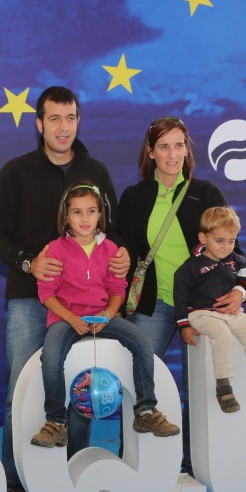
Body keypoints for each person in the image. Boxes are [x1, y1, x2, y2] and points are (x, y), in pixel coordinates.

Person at [0, 86, 129, 492]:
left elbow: (113, 230)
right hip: (31, 302)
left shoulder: (96, 171)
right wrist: (28, 263)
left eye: (70, 118)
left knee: (82, 388)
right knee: (20, 392)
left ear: (78, 121)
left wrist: (122, 253)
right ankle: (12, 486)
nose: (63, 127)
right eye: (54, 119)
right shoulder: (16, 172)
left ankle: (73, 477)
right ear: (39, 124)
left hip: (86, 306)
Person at [116, 116, 245, 473]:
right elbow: (123, 250)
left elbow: (235, 249)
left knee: (200, 387)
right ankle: (131, 464)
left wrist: (239, 290)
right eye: (164, 146)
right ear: (150, 152)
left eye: (179, 145)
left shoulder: (207, 193)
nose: (172, 154)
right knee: (137, 384)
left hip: (201, 306)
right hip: (154, 303)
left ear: (187, 149)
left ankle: (192, 463)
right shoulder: (134, 197)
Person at [30, 182, 179, 448]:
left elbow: (118, 290)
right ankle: (56, 423)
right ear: (66, 216)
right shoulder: (54, 249)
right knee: (50, 355)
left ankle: (145, 411)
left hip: (103, 317)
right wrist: (72, 319)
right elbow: (46, 294)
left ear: (100, 214)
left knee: (143, 341)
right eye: (77, 212)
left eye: (91, 211)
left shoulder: (111, 249)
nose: (85, 218)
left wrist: (107, 315)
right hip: (66, 319)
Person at [173, 206, 246, 412]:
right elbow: (179, 297)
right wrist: (184, 325)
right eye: (219, 241)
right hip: (200, 313)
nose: (226, 247)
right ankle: (223, 386)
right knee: (222, 334)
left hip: (232, 313)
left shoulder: (237, 261)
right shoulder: (190, 266)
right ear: (203, 238)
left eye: (231, 241)